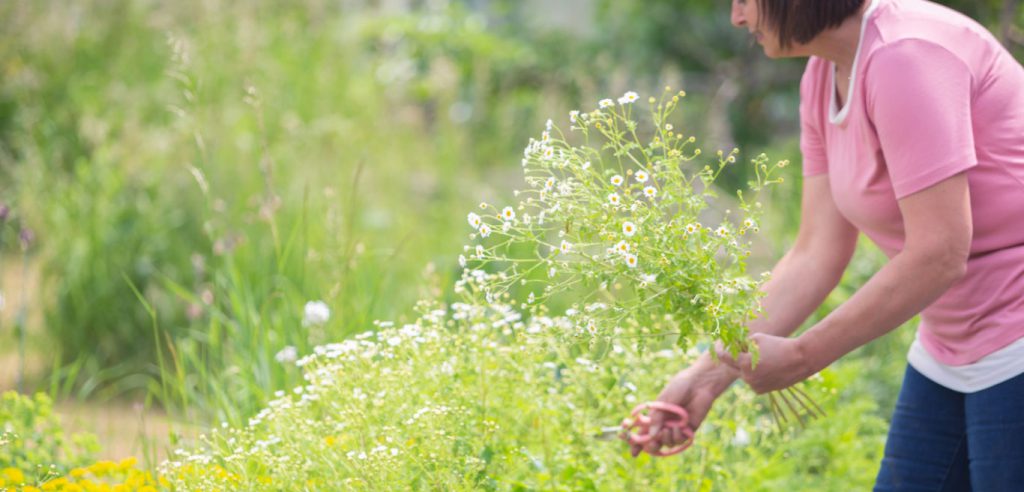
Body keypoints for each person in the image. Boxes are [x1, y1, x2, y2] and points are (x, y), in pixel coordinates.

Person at [631, 0, 1024, 489]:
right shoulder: (824, 75)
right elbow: (815, 253)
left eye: (743, 1)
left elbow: (940, 252)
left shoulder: (907, 56)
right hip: (951, 345)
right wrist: (707, 375)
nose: (736, 18)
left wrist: (802, 356)